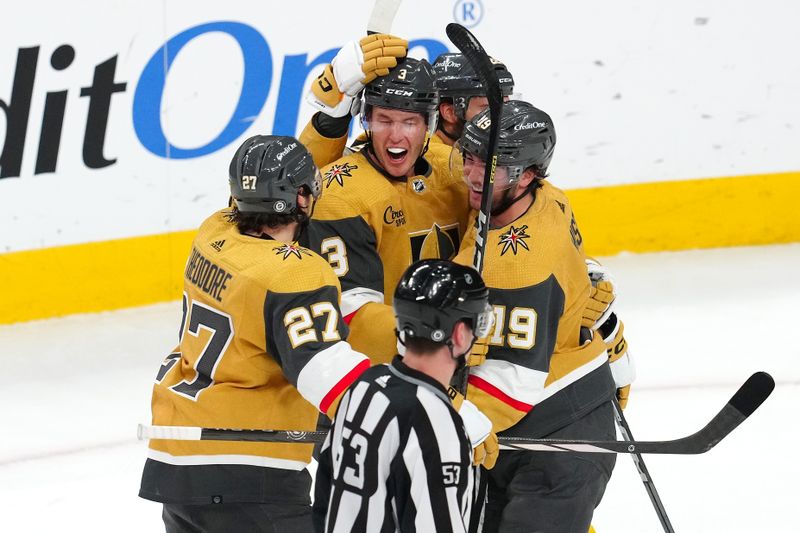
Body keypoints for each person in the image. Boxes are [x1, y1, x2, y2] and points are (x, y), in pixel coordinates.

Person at [139, 135, 370, 532]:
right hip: (249, 472)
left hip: (175, 465)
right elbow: (326, 372)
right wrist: (422, 412)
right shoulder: (296, 272)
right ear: (301, 197)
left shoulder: (212, 233)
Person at [450, 100, 634, 532]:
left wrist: (436, 427)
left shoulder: (520, 265)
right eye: (471, 158)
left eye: (490, 167)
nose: (473, 175)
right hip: (528, 427)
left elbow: (513, 383)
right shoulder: (545, 198)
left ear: (528, 175)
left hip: (562, 435)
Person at [304, 56, 472, 363]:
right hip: (386, 365)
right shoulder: (340, 194)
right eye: (384, 120)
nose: (396, 136)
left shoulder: (456, 169)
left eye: (410, 122)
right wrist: (433, 340)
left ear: (429, 125)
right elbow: (352, 315)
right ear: (366, 120)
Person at [313, 259, 498, 533]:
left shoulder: (364, 387)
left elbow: (325, 491)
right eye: (478, 325)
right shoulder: (437, 422)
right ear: (459, 334)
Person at [430, 52, 515, 146]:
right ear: (450, 112)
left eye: (507, 107)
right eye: (490, 109)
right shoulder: (426, 160)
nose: (504, 118)